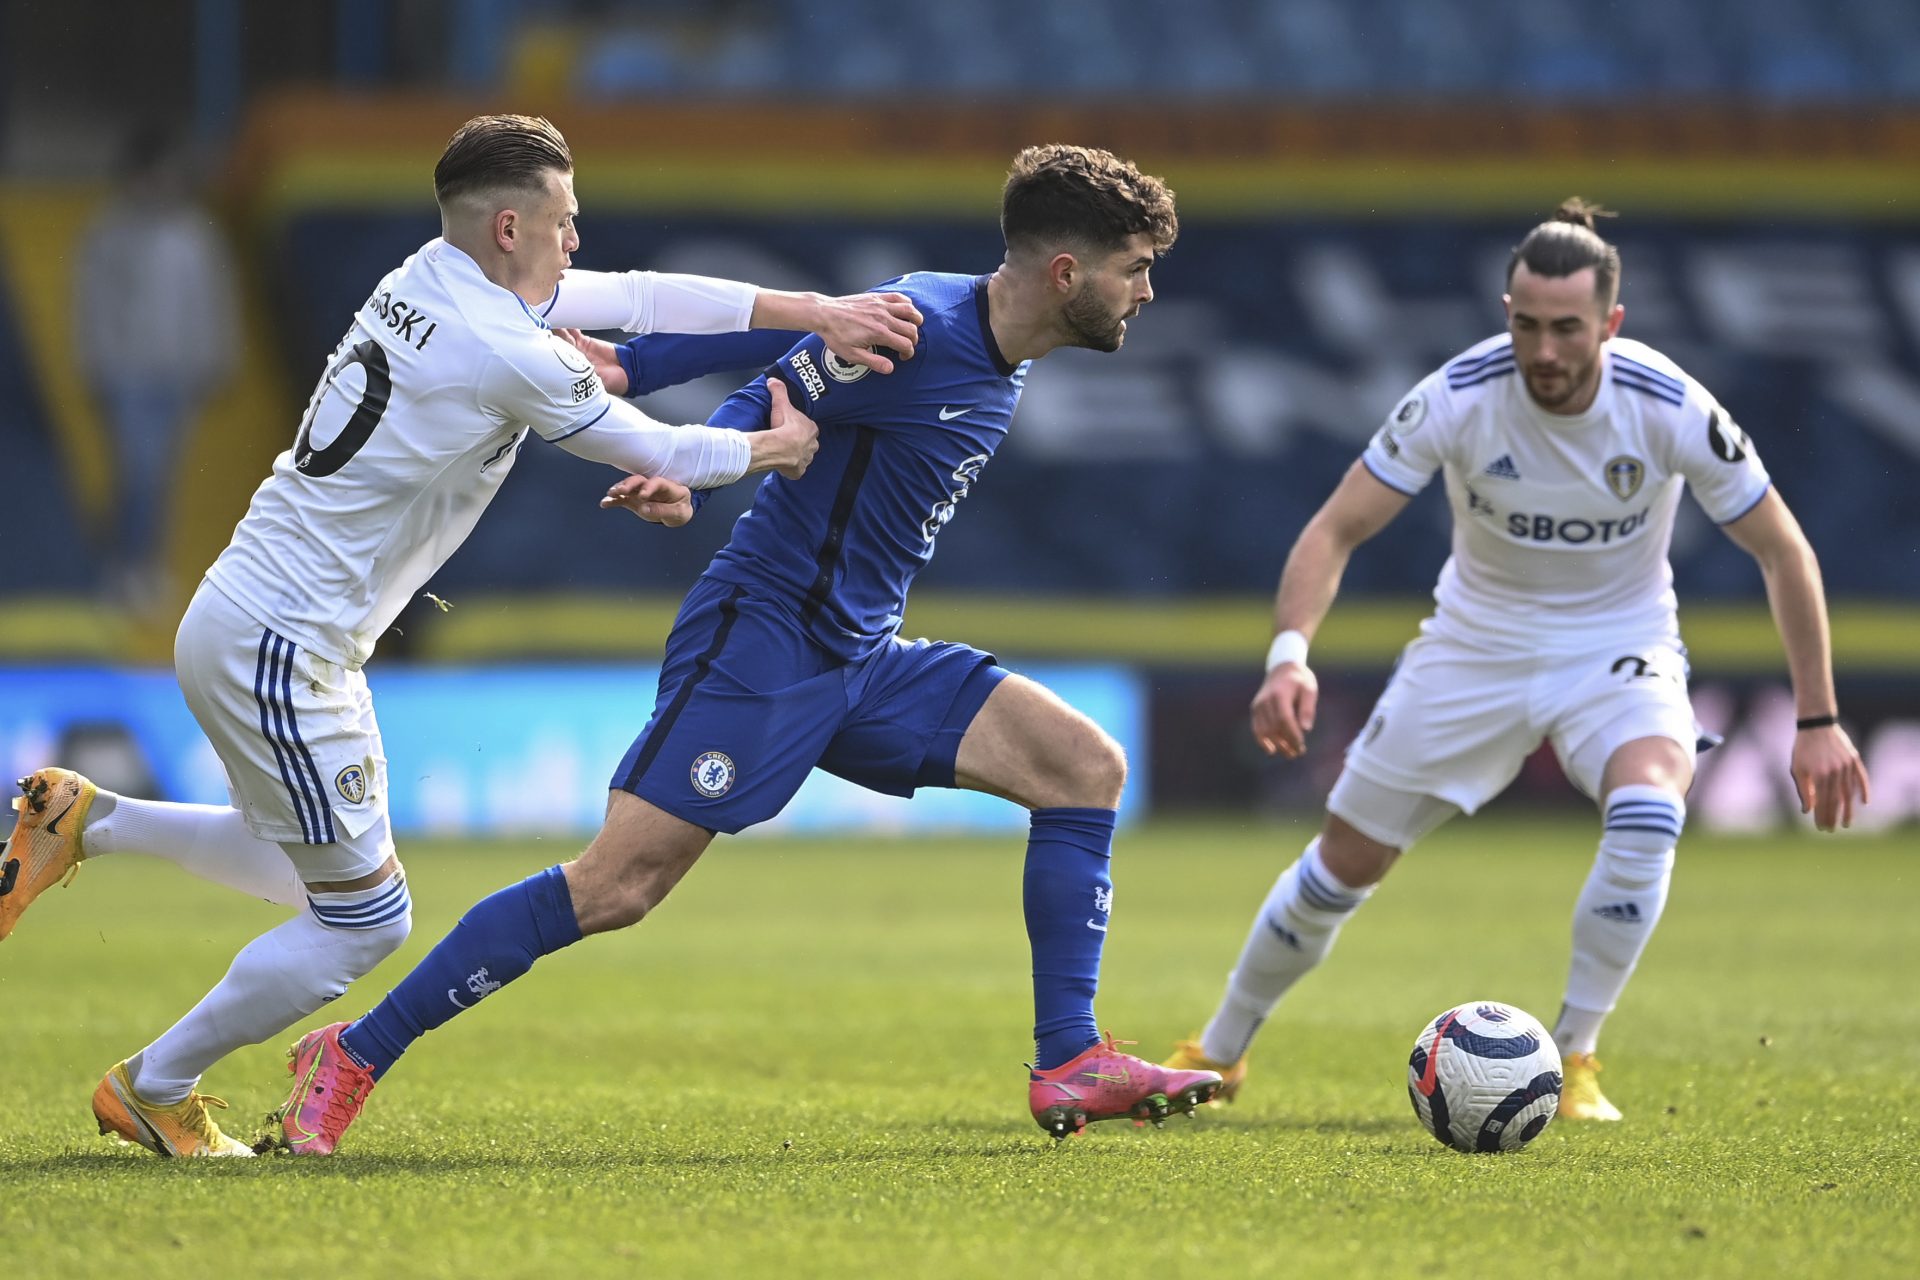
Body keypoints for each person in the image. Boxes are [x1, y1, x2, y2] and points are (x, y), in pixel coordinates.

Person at [270, 143, 1224, 1156]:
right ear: (1066, 274)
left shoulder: (997, 337)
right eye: (1135, 268)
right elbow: (782, 384)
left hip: (860, 654)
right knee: (616, 887)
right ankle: (354, 1050)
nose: (1149, 291)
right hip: (765, 639)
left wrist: (637, 366)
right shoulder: (922, 329)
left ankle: (1069, 1054)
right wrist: (690, 466)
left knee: (1083, 765)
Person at [0, 113, 921, 1158]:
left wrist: (812, 308)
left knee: (296, 860)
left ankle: (86, 817)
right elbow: (663, 445)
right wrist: (776, 446)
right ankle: (154, 1084)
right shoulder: (504, 349)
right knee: (365, 921)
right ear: (513, 227)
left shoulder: (432, 274)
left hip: (252, 617)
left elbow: (639, 295)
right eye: (567, 222)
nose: (579, 241)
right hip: (286, 647)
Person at [1162, 200, 1871, 1122]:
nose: (1543, 350)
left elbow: (1784, 550)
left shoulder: (1668, 406)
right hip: (1473, 646)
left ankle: (1575, 1056)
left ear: (1609, 324)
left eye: (1567, 329)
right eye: (1526, 324)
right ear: (1507, 311)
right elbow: (1336, 527)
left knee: (1650, 807)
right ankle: (1219, 1049)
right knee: (1343, 864)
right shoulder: (1458, 395)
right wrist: (1290, 657)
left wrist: (1817, 719)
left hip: (1618, 646)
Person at [75, 126, 240, 609]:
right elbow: (93, 305)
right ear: (135, 177)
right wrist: (96, 363)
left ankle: (141, 564)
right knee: (138, 471)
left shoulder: (194, 236)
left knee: (157, 475)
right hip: (127, 372)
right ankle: (122, 566)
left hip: (180, 375)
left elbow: (212, 302)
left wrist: (218, 360)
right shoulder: (108, 233)